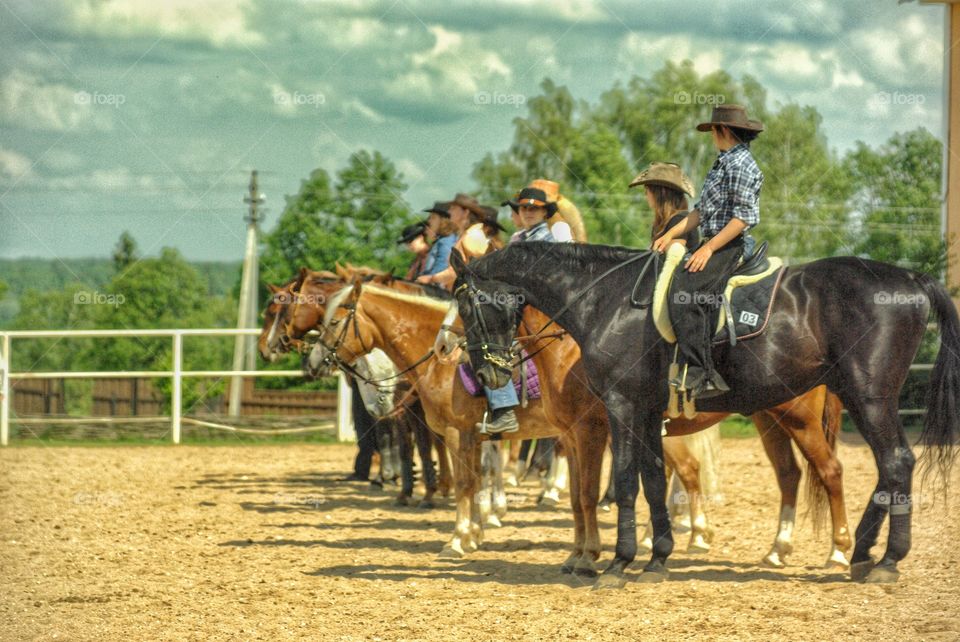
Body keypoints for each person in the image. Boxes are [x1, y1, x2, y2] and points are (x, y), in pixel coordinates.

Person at [651, 104, 765, 399]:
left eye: (713, 131)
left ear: (723, 130)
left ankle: (702, 373)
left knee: (685, 292)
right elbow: (700, 212)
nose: (712, 137)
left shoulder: (741, 165)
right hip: (714, 241)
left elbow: (743, 218)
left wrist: (708, 249)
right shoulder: (723, 161)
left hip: (728, 244)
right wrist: (669, 234)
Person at [477, 184, 572, 434]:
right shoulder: (517, 239)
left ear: (544, 213)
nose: (528, 212)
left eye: (534, 209)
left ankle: (504, 408)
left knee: (496, 348)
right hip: (515, 305)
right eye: (524, 208)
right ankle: (503, 409)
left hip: (541, 307)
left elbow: (552, 279)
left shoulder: (549, 240)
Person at [417, 201, 458, 284]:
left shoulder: (446, 241)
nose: (429, 221)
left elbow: (442, 267)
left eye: (433, 217)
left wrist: (427, 280)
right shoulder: (442, 240)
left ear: (443, 221)